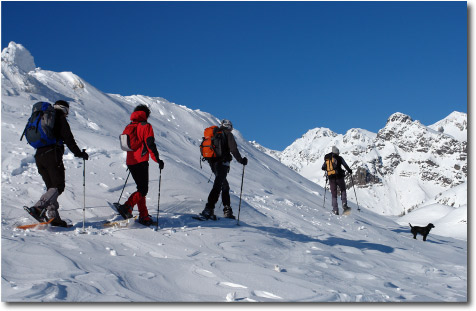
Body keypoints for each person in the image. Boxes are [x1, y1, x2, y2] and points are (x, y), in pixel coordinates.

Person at [29, 100, 89, 227]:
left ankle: (54, 217)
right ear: (64, 110)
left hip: (39, 156)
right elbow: (69, 140)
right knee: (58, 186)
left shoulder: (45, 117)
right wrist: (79, 154)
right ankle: (38, 208)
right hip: (52, 155)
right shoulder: (60, 119)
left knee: (52, 188)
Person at [117, 104, 164, 226]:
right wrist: (157, 159)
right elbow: (150, 144)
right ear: (146, 115)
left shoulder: (129, 126)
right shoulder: (145, 126)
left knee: (141, 189)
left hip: (131, 162)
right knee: (143, 189)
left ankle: (144, 215)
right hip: (141, 161)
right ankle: (127, 206)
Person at [200, 119, 248, 220]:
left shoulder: (215, 134)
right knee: (218, 185)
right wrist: (241, 160)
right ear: (229, 126)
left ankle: (227, 209)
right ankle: (209, 209)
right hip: (222, 163)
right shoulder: (228, 134)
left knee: (224, 185)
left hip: (213, 162)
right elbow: (233, 149)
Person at [322, 146, 352, 215]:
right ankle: (344, 204)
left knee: (334, 195)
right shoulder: (340, 158)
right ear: (337, 152)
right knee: (343, 190)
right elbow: (345, 165)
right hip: (339, 177)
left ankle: (335, 210)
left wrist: (329, 170)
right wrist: (349, 171)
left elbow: (323, 167)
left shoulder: (327, 159)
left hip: (331, 178)